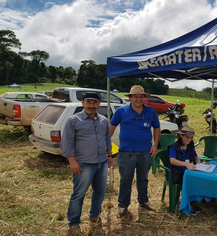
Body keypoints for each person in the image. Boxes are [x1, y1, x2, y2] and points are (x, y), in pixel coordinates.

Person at [61, 92, 113, 235]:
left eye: (94, 102)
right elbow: (67, 143)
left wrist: (109, 155)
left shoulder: (103, 120)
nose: (91, 105)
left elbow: (107, 139)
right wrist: (72, 161)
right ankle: (74, 222)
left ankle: (94, 215)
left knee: (100, 191)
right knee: (79, 193)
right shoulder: (73, 120)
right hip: (83, 163)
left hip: (102, 162)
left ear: (99, 104)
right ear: (83, 102)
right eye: (88, 102)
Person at [110, 85, 161, 217]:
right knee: (126, 179)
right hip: (126, 152)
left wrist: (155, 145)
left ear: (144, 98)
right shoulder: (121, 111)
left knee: (143, 178)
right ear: (130, 98)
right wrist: (106, 146)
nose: (139, 99)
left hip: (146, 152)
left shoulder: (151, 111)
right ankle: (122, 205)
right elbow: (111, 127)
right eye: (136, 96)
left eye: (141, 96)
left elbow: (157, 128)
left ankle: (143, 201)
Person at [168, 126, 201, 215]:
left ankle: (195, 201)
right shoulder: (173, 147)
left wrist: (198, 162)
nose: (189, 140)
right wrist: (186, 164)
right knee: (189, 181)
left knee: (199, 179)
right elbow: (172, 160)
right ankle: (188, 205)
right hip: (177, 173)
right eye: (187, 137)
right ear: (180, 136)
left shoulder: (190, 146)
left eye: (191, 138)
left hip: (190, 171)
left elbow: (195, 156)